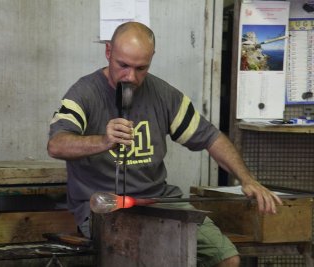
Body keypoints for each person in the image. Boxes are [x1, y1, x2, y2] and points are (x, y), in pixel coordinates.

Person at [47, 22, 282, 267]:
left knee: (227, 259)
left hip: (157, 201)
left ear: (151, 59)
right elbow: (57, 145)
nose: (131, 77)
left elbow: (211, 138)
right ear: (108, 53)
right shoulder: (84, 93)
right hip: (103, 207)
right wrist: (103, 141)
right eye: (123, 65)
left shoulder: (162, 94)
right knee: (151, 256)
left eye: (141, 68)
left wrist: (247, 179)